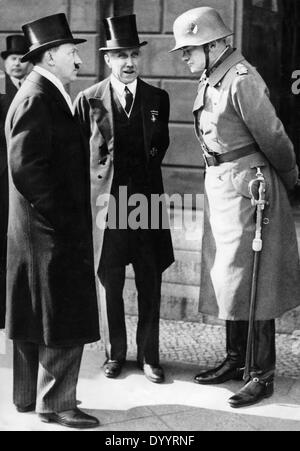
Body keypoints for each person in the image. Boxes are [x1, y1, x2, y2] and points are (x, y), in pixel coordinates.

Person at [170, 6, 300, 408]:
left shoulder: (242, 79)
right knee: (229, 277)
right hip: (223, 187)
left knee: (254, 281)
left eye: (190, 50)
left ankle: (261, 373)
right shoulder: (214, 76)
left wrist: (291, 177)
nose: (185, 57)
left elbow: (273, 136)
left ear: (215, 46)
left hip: (249, 191)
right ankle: (234, 358)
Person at [5, 13, 100, 428]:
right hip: (49, 231)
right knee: (61, 315)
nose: (78, 59)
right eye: (71, 51)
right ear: (49, 56)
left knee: (31, 315)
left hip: (37, 231)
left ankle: (28, 397)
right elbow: (27, 168)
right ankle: (58, 404)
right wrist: (63, 220)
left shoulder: (42, 90)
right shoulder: (37, 96)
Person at [75, 14, 174, 384]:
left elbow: (160, 145)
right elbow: (78, 154)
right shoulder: (88, 99)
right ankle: (115, 354)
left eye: (133, 54)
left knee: (150, 279)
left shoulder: (157, 98)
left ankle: (150, 356)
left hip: (145, 203)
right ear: (108, 60)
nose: (129, 62)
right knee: (110, 280)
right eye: (121, 56)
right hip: (107, 205)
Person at [0, 35, 30, 330]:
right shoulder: (0, 87)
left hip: (22, 173)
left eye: (22, 58)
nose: (18, 63)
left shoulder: (34, 89)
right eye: (12, 59)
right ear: (4, 62)